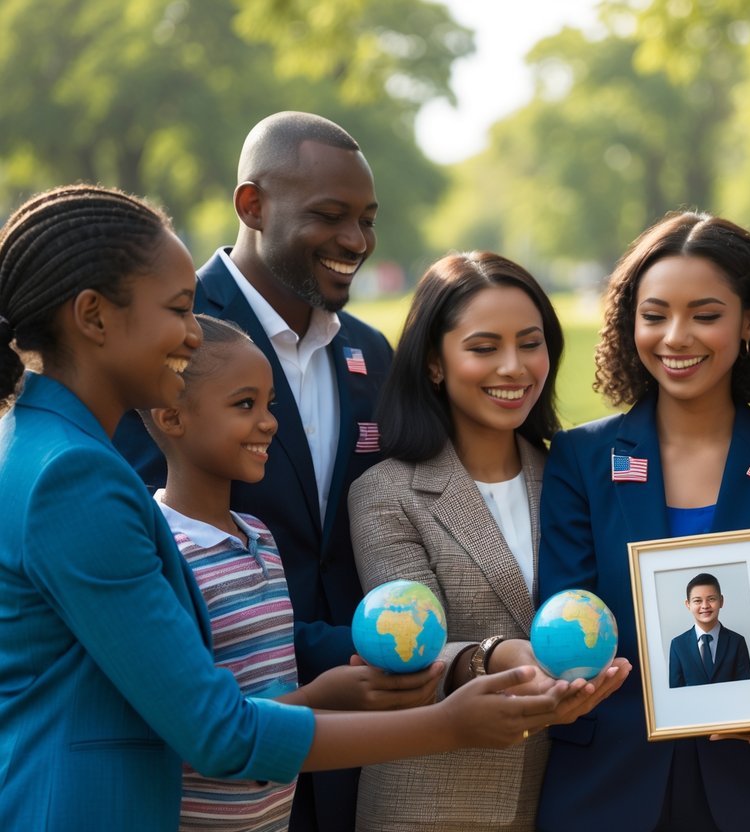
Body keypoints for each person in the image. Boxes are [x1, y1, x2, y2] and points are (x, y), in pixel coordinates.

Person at [0, 184, 578, 830]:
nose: (193, 335)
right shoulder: (74, 476)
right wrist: (446, 725)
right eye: (178, 309)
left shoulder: (42, 444)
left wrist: (323, 693)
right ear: (94, 317)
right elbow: (220, 733)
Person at [114, 111, 392, 832]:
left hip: (358, 747)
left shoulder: (371, 354)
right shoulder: (166, 337)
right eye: (329, 216)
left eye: (366, 219)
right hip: (207, 756)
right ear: (252, 206)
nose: (355, 242)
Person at [537, 211, 750, 831]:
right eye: (654, 315)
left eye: (705, 314)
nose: (676, 337)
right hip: (606, 789)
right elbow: (565, 615)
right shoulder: (580, 459)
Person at [348, 252, 630, 831]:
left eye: (530, 344)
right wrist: (495, 656)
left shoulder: (569, 477)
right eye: (483, 348)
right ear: (434, 362)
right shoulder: (385, 493)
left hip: (569, 798)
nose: (514, 367)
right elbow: (407, 647)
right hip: (432, 804)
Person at [140, 314, 448, 831]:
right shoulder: (163, 553)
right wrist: (328, 695)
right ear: (172, 416)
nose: (269, 422)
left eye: (269, 404)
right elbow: (201, 731)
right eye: (245, 405)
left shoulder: (259, 535)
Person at [668, 573, 750, 688]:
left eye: (711, 599)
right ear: (688, 604)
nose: (705, 606)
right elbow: (675, 691)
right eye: (697, 601)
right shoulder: (678, 644)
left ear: (721, 601)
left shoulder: (737, 642)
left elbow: (746, 688)